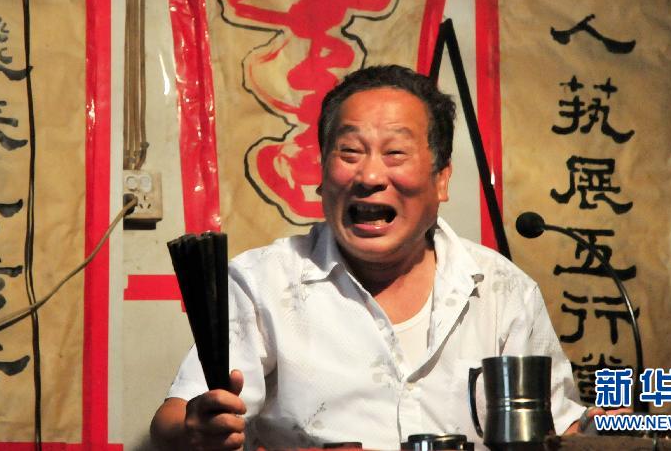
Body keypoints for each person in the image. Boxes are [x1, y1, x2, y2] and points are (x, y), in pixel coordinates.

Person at [151, 64, 592, 450]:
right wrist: (196, 429)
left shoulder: (503, 290)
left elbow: (560, 429)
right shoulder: (263, 281)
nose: (370, 176)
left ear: (441, 179)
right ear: (322, 174)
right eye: (350, 152)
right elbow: (173, 420)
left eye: (396, 152)